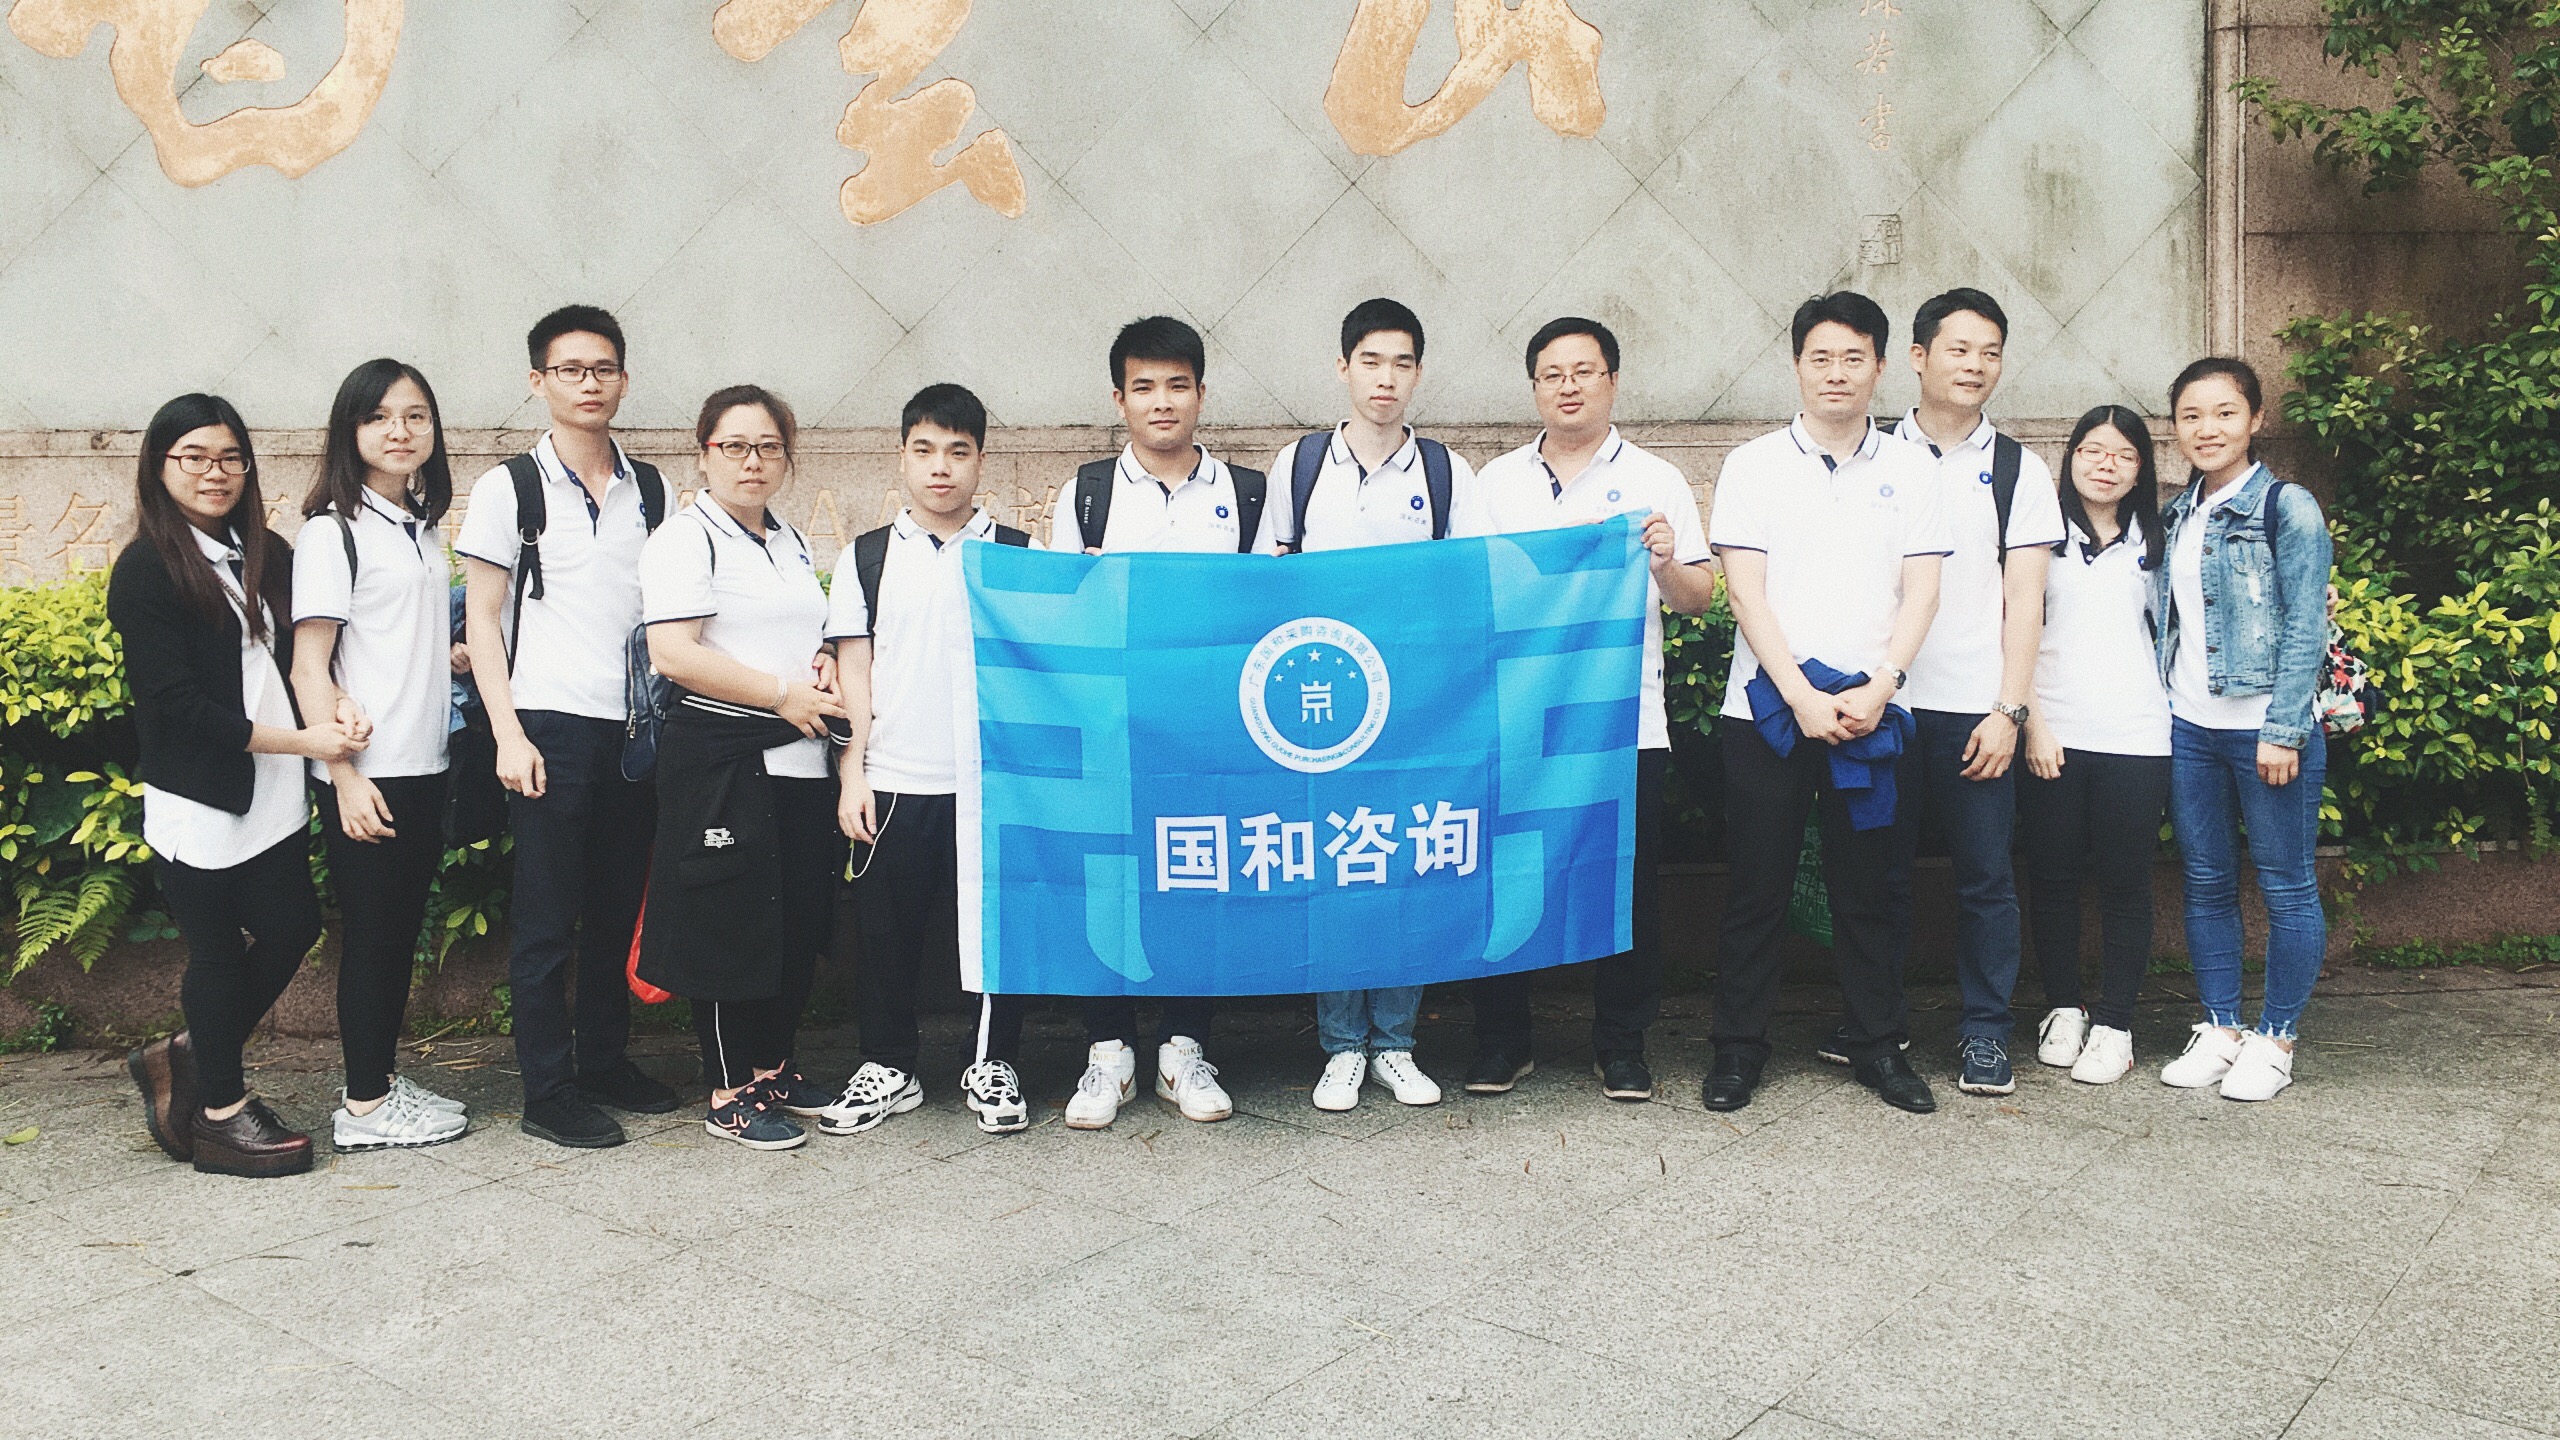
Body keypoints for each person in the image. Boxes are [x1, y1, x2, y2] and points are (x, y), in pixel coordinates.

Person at [1704, 292, 1947, 1115]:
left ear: (1880, 366)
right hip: (1767, 714)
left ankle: (1879, 1045)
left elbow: (1922, 591)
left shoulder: (1913, 468)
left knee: (1869, 889)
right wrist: (1800, 695)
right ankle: (1737, 1049)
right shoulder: (1753, 465)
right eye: (1820, 358)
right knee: (1757, 887)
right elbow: (1745, 591)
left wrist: (1883, 685)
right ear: (1797, 366)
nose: (1836, 373)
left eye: (1853, 358)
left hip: (1872, 713)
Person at [113, 394, 364, 1177]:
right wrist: (303, 742)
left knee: (292, 927)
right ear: (160, 467)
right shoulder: (146, 569)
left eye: (229, 458)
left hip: (274, 788)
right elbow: (178, 706)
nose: (214, 473)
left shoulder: (267, 553)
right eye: (193, 457)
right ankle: (220, 1113)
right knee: (218, 953)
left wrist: (338, 704)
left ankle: (191, 1051)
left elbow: (307, 656)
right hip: (201, 795)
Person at [1472, 316, 1716, 1104]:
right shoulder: (1495, 483)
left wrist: (1665, 562)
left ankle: (1622, 1044)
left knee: (1625, 885)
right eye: (1553, 374)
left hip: (1622, 721)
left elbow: (1698, 598)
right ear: (1535, 387)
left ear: (1612, 380)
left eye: (1584, 371)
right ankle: (1503, 1039)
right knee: (1508, 874)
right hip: (1515, 718)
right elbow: (1473, 593)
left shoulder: (1654, 479)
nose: (1568, 386)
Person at [458, 305, 682, 1148]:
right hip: (547, 726)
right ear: (538, 382)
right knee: (548, 920)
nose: (589, 384)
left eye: (603, 369)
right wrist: (508, 734)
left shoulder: (652, 489)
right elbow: (483, 620)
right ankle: (547, 1092)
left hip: (632, 729)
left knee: (614, 908)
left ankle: (604, 1063)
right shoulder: (508, 487)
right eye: (570, 370)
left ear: (624, 379)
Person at [1049, 315, 1280, 1129]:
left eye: (1177, 385)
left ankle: (1185, 1049)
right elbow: (1064, 619)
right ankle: (1107, 1051)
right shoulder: (1087, 494)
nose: (1161, 402)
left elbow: (1266, 609)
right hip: (1114, 731)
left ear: (1201, 394)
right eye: (1143, 386)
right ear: (1119, 399)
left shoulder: (1247, 494)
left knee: (1197, 876)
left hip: (1210, 732)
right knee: (1108, 879)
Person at [1268, 298, 1493, 1113]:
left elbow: (1475, 583)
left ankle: (1395, 1043)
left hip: (1417, 711)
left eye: (1401, 363)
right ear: (1343, 368)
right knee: (1333, 868)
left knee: (1403, 868)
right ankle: (1340, 1047)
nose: (1385, 379)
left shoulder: (1444, 472)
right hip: (1320, 709)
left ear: (1418, 373)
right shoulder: (1299, 465)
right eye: (1370, 361)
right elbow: (1268, 583)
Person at [633, 386, 848, 1150]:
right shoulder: (685, 540)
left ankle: (772, 1069)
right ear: (705, 454)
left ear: (786, 458)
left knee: (793, 922)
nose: (751, 461)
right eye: (734, 446)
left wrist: (824, 658)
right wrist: (782, 694)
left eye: (768, 447)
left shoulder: (788, 540)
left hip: (800, 757)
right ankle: (729, 1092)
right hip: (725, 759)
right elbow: (673, 653)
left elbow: (801, 631)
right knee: (729, 922)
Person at [821, 384, 1039, 1136]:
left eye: (957, 451)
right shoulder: (868, 556)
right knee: (886, 933)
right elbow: (855, 669)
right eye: (924, 450)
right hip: (894, 778)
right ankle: (888, 1065)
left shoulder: (1017, 555)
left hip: (992, 783)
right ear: (903, 458)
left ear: (980, 460)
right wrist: (853, 771)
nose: (940, 467)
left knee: (994, 931)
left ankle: (993, 1061)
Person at [1864, 290, 2062, 1098]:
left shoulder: (2018, 469)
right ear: (1918, 358)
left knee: (1985, 878)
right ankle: (1877, 1024)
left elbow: (2027, 598)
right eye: (1959, 349)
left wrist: (2011, 710)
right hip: (1884, 705)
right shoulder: (1872, 454)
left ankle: (1986, 1031)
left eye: (1990, 352)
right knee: (1879, 876)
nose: (1975, 365)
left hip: (1976, 709)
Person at [287, 359, 470, 1151]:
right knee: (373, 936)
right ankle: (363, 1107)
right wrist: (342, 776)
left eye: (415, 415)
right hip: (370, 773)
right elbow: (308, 665)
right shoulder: (332, 531)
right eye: (380, 417)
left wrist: (450, 656)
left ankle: (381, 1082)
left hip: (425, 763)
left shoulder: (419, 527)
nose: (400, 431)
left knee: (396, 935)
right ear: (350, 431)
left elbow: (394, 638)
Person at [2154, 358, 2333, 1102]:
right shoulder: (2177, 513)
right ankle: (2222, 1028)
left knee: (2286, 884)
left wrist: (2284, 728)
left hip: (2264, 729)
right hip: (2189, 727)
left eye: (2225, 413)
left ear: (2255, 420)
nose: (2208, 428)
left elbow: (2306, 626)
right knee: (2205, 880)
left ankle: (2277, 1038)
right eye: (2191, 415)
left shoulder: (2288, 507)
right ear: (2175, 427)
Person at [2017, 406, 2171, 1085]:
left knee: (2125, 882)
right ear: (2071, 456)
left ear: (2142, 470)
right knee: (2051, 877)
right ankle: (2063, 1008)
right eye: (2092, 450)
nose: (2107, 464)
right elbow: (2010, 631)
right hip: (2053, 733)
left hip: (2138, 735)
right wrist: (2033, 724)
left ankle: (2115, 1023)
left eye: (2124, 454)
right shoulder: (2036, 533)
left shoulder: (2161, 541)